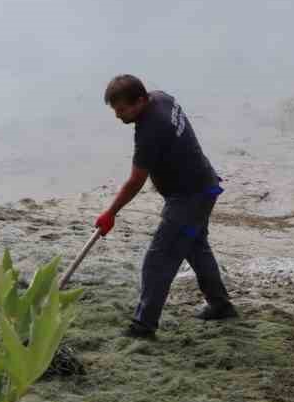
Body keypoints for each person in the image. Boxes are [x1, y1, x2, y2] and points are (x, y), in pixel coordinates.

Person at [95, 75, 236, 339]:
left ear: (140, 100)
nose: (117, 115)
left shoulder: (151, 130)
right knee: (195, 245)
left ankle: (143, 326)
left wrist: (110, 213)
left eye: (122, 109)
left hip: (189, 199)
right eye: (114, 110)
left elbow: (136, 181)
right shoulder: (161, 98)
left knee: (158, 259)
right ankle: (220, 305)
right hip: (205, 186)